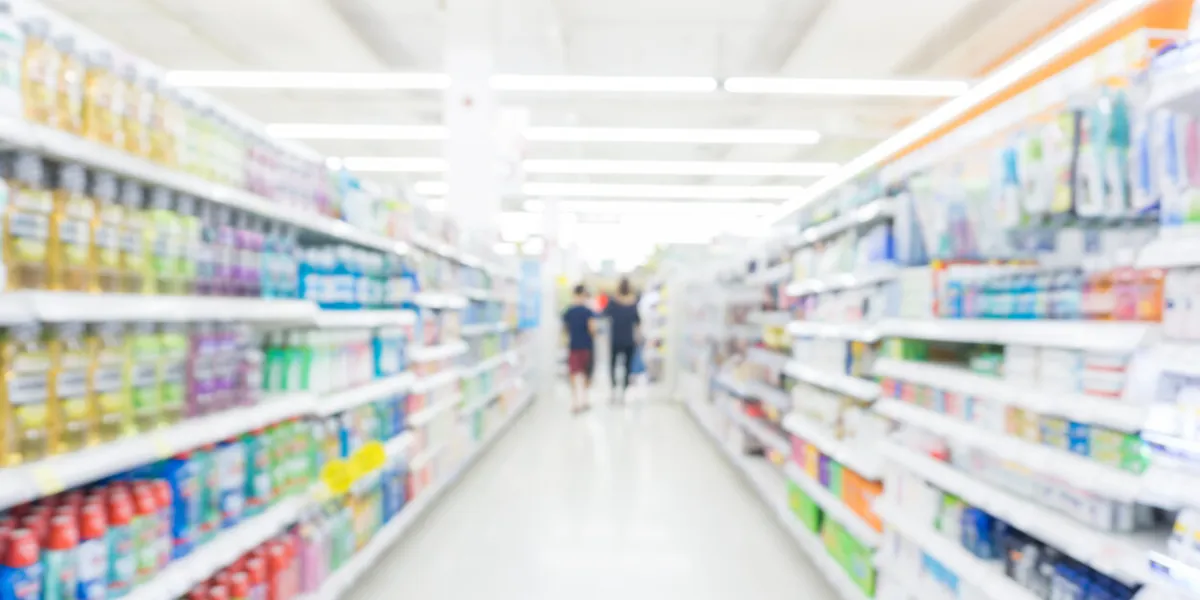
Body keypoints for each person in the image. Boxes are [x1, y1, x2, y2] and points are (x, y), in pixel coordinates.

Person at [603, 277, 640, 402]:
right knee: (627, 366)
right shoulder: (633, 303)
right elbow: (637, 321)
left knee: (613, 365)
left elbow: (604, 314)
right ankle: (624, 392)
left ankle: (614, 390)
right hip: (629, 339)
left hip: (616, 338)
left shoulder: (613, 302)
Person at [562, 284, 597, 414]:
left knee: (573, 373)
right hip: (586, 346)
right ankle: (585, 400)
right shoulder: (588, 312)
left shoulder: (568, 311)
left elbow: (565, 329)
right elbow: (592, 328)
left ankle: (575, 401)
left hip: (573, 346)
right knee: (585, 373)